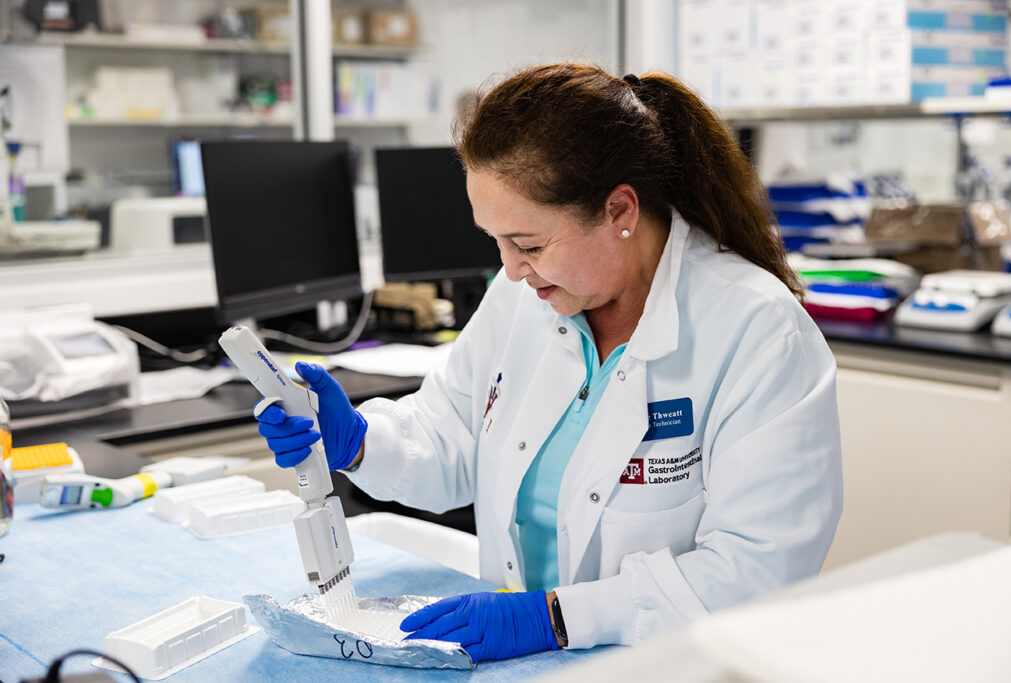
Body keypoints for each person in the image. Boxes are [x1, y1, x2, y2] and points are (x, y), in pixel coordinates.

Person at [255, 63, 843, 662]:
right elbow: (453, 432)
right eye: (497, 241)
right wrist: (358, 442)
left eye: (529, 245)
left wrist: (557, 617)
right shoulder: (524, 295)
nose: (509, 269)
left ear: (620, 212)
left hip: (675, 666)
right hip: (518, 666)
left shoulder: (757, 330)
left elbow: (760, 570)